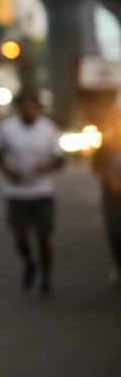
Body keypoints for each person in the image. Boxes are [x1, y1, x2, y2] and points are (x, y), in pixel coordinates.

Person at [0, 88, 64, 295]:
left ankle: (46, 280)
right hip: (16, 192)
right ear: (18, 109)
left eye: (32, 107)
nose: (28, 111)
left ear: (38, 108)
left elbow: (60, 159)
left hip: (42, 191)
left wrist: (47, 167)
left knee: (44, 237)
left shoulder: (49, 129)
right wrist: (6, 169)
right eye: (24, 107)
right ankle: (29, 263)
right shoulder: (7, 128)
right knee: (21, 237)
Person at [90, 114, 121, 288]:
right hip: (112, 198)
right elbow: (96, 167)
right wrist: (109, 181)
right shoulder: (106, 148)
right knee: (115, 234)